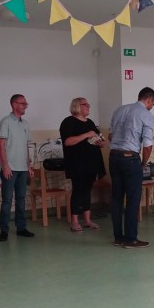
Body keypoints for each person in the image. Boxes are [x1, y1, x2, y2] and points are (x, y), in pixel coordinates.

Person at [108, 86, 154, 249]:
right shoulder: (146, 115)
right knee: (133, 199)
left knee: (116, 198)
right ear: (149, 99)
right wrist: (143, 163)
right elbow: (148, 145)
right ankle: (130, 239)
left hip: (113, 157)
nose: (151, 107)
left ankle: (118, 238)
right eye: (152, 104)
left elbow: (110, 136)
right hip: (130, 158)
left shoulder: (119, 110)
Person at [59, 97, 106, 233]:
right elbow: (67, 141)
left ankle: (87, 220)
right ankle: (74, 221)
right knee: (78, 190)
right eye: (85, 104)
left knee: (87, 190)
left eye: (88, 104)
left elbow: (101, 141)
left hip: (92, 162)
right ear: (77, 106)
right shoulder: (68, 122)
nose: (88, 106)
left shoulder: (90, 122)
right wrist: (86, 135)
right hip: (77, 163)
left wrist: (100, 142)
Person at [0, 93, 35, 241]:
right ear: (14, 105)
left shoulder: (25, 124)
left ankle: (21, 228)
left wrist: (29, 166)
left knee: (21, 199)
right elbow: (1, 145)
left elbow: (26, 146)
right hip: (10, 168)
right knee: (7, 200)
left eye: (26, 104)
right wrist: (5, 166)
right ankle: (4, 230)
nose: (25, 106)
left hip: (23, 169)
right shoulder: (5, 122)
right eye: (23, 103)